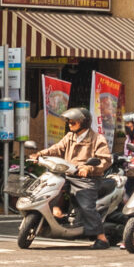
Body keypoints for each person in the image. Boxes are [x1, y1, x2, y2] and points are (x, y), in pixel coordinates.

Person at [35, 105, 111, 247]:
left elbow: (105, 160)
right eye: (69, 122)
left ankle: (101, 237)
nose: (70, 124)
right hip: (68, 174)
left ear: (83, 122)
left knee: (86, 206)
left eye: (73, 122)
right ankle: (54, 216)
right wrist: (41, 154)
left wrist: (88, 168)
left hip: (87, 179)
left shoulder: (97, 138)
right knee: (48, 188)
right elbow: (57, 148)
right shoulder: (70, 136)